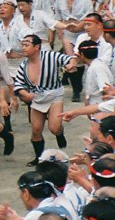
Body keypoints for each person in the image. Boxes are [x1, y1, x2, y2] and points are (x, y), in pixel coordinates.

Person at [13, 34, 78, 165]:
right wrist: (24, 93)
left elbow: (71, 58)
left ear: (37, 47)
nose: (23, 48)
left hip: (54, 94)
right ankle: (39, 158)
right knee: (36, 130)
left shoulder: (50, 56)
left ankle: (59, 133)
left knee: (54, 127)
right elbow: (18, 83)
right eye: (22, 45)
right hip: (37, 97)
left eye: (27, 45)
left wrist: (71, 65)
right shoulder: (24, 65)